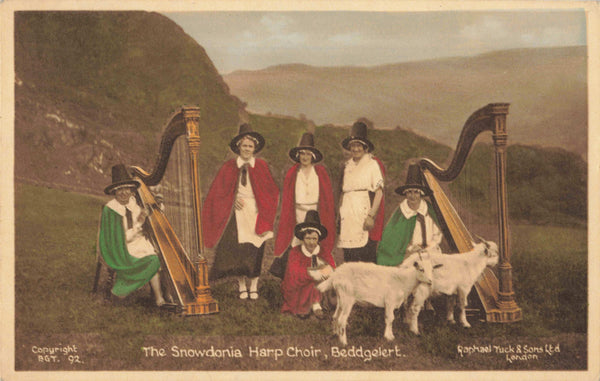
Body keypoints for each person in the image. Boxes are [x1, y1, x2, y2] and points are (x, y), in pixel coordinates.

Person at [202, 124, 279, 300]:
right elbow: (219, 191)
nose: (247, 149)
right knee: (239, 251)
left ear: (254, 149)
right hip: (238, 212)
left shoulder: (260, 166)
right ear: (238, 147)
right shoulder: (229, 166)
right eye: (244, 146)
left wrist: (263, 205)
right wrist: (232, 198)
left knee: (256, 249)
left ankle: (254, 286)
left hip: (256, 212)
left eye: (250, 146)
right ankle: (242, 285)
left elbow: (272, 191)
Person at [97, 164, 166, 307]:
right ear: (114, 192)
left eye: (126, 189)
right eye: (119, 189)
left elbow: (151, 213)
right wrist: (140, 223)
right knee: (152, 259)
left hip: (140, 242)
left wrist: (158, 205)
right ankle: (122, 291)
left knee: (157, 255)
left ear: (131, 190)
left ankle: (159, 298)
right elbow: (120, 239)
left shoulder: (134, 203)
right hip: (121, 247)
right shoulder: (111, 210)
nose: (124, 193)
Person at [271, 132, 335, 279]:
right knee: (297, 241)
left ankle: (318, 274)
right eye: (302, 154)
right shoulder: (293, 173)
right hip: (298, 212)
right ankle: (292, 274)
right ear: (298, 156)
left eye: (308, 154)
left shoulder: (320, 172)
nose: (305, 157)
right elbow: (288, 197)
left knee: (314, 242)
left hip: (315, 212)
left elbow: (327, 198)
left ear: (313, 156)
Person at [337, 121, 385, 263]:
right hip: (348, 217)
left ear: (365, 147)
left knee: (365, 259)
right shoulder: (347, 166)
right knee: (349, 258)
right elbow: (342, 193)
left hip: (363, 215)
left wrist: (371, 216)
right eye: (353, 145)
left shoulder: (372, 164)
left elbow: (379, 192)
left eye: (359, 145)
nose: (356, 149)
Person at [376, 164, 443, 266]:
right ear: (405, 194)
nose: (412, 196)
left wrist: (429, 247)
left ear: (420, 194)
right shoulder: (401, 213)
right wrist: (411, 249)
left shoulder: (429, 211)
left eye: (416, 192)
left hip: (431, 251)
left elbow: (437, 234)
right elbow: (394, 241)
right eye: (409, 192)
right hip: (410, 255)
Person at [281, 210, 335, 319]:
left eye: (314, 239)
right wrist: (313, 274)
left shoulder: (323, 251)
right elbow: (293, 273)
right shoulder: (295, 252)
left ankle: (315, 305)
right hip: (300, 285)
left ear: (318, 239)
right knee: (308, 284)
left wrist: (325, 271)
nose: (311, 242)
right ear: (302, 238)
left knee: (325, 285)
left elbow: (332, 267)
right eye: (308, 238)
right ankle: (312, 306)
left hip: (319, 285)